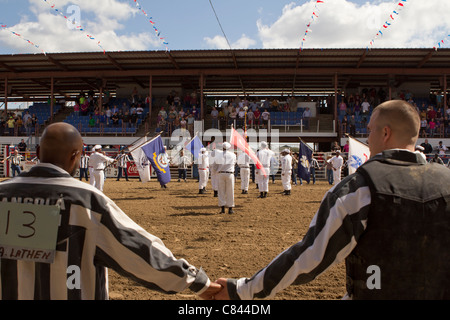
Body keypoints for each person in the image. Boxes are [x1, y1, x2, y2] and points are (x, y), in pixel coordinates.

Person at [214, 99, 450, 300]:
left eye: (370, 131)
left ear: (385, 133)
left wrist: (243, 290)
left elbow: (310, 257)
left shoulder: (360, 187)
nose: (368, 138)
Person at [0, 121, 221, 300]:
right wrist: (196, 281)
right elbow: (138, 249)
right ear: (76, 155)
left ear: (38, 151)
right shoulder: (86, 200)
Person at [213, 142, 236, 214]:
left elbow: (214, 166)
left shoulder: (218, 155)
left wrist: (218, 171)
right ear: (229, 148)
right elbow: (234, 163)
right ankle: (230, 208)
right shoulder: (233, 155)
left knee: (221, 191)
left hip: (221, 174)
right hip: (230, 174)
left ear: (222, 147)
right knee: (230, 191)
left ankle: (222, 209)